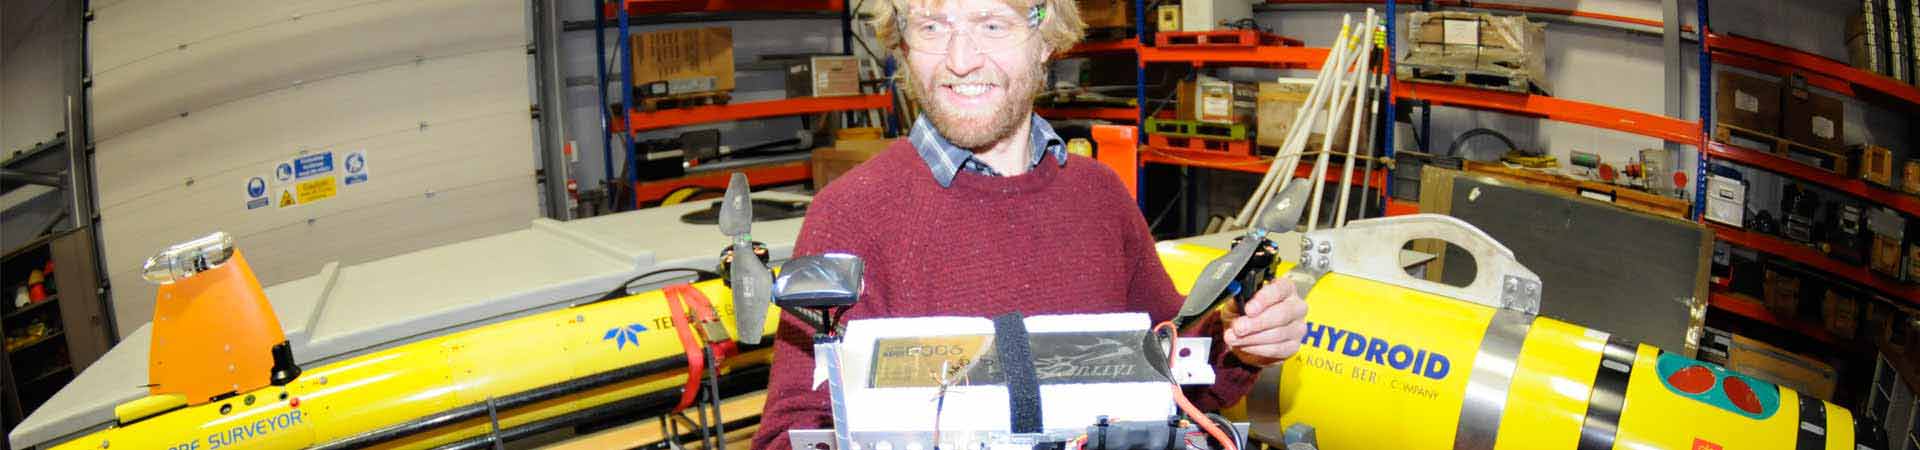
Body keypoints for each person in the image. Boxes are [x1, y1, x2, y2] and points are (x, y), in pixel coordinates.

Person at [751, 0, 1309, 448]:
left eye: (992, 23)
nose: (960, 59)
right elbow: (790, 432)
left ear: (1046, 39)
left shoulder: (1099, 196)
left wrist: (1241, 340)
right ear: (901, 44)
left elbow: (1173, 375)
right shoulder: (851, 214)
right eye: (931, 24)